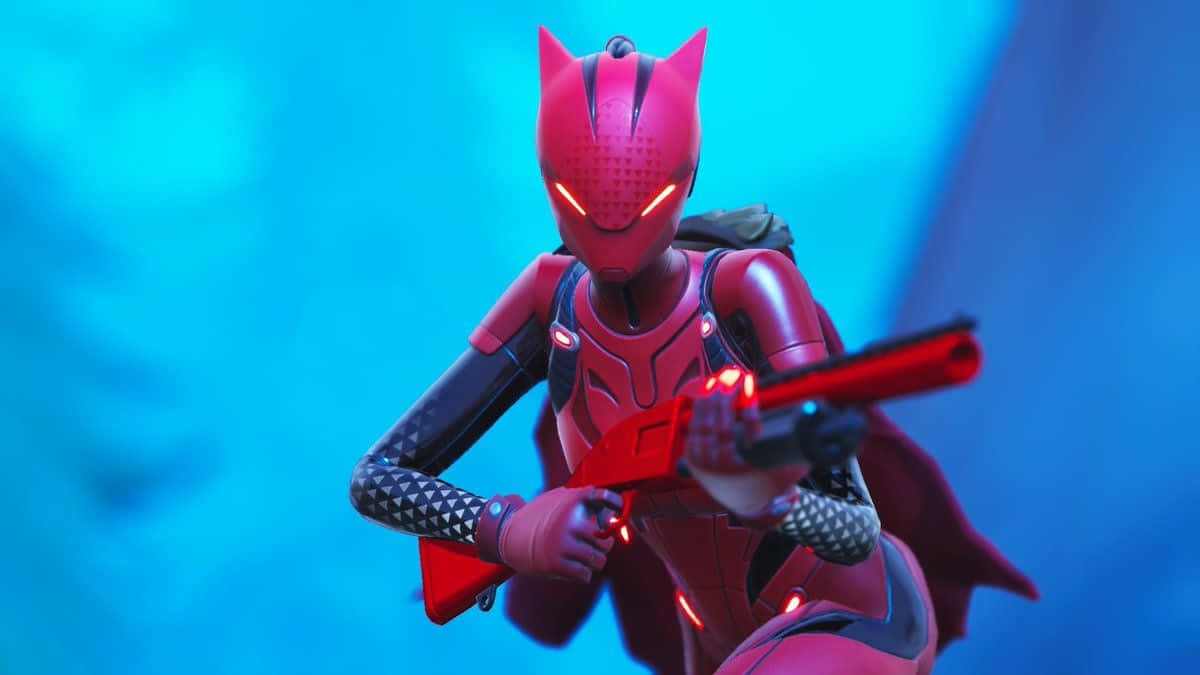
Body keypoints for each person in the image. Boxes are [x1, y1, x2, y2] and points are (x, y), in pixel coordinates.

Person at [350, 28, 1035, 674]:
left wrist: (765, 498)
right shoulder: (544, 301)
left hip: (854, 615)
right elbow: (377, 476)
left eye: (635, 194)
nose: (612, 225)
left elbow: (855, 531)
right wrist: (509, 530)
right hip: (713, 646)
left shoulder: (748, 290)